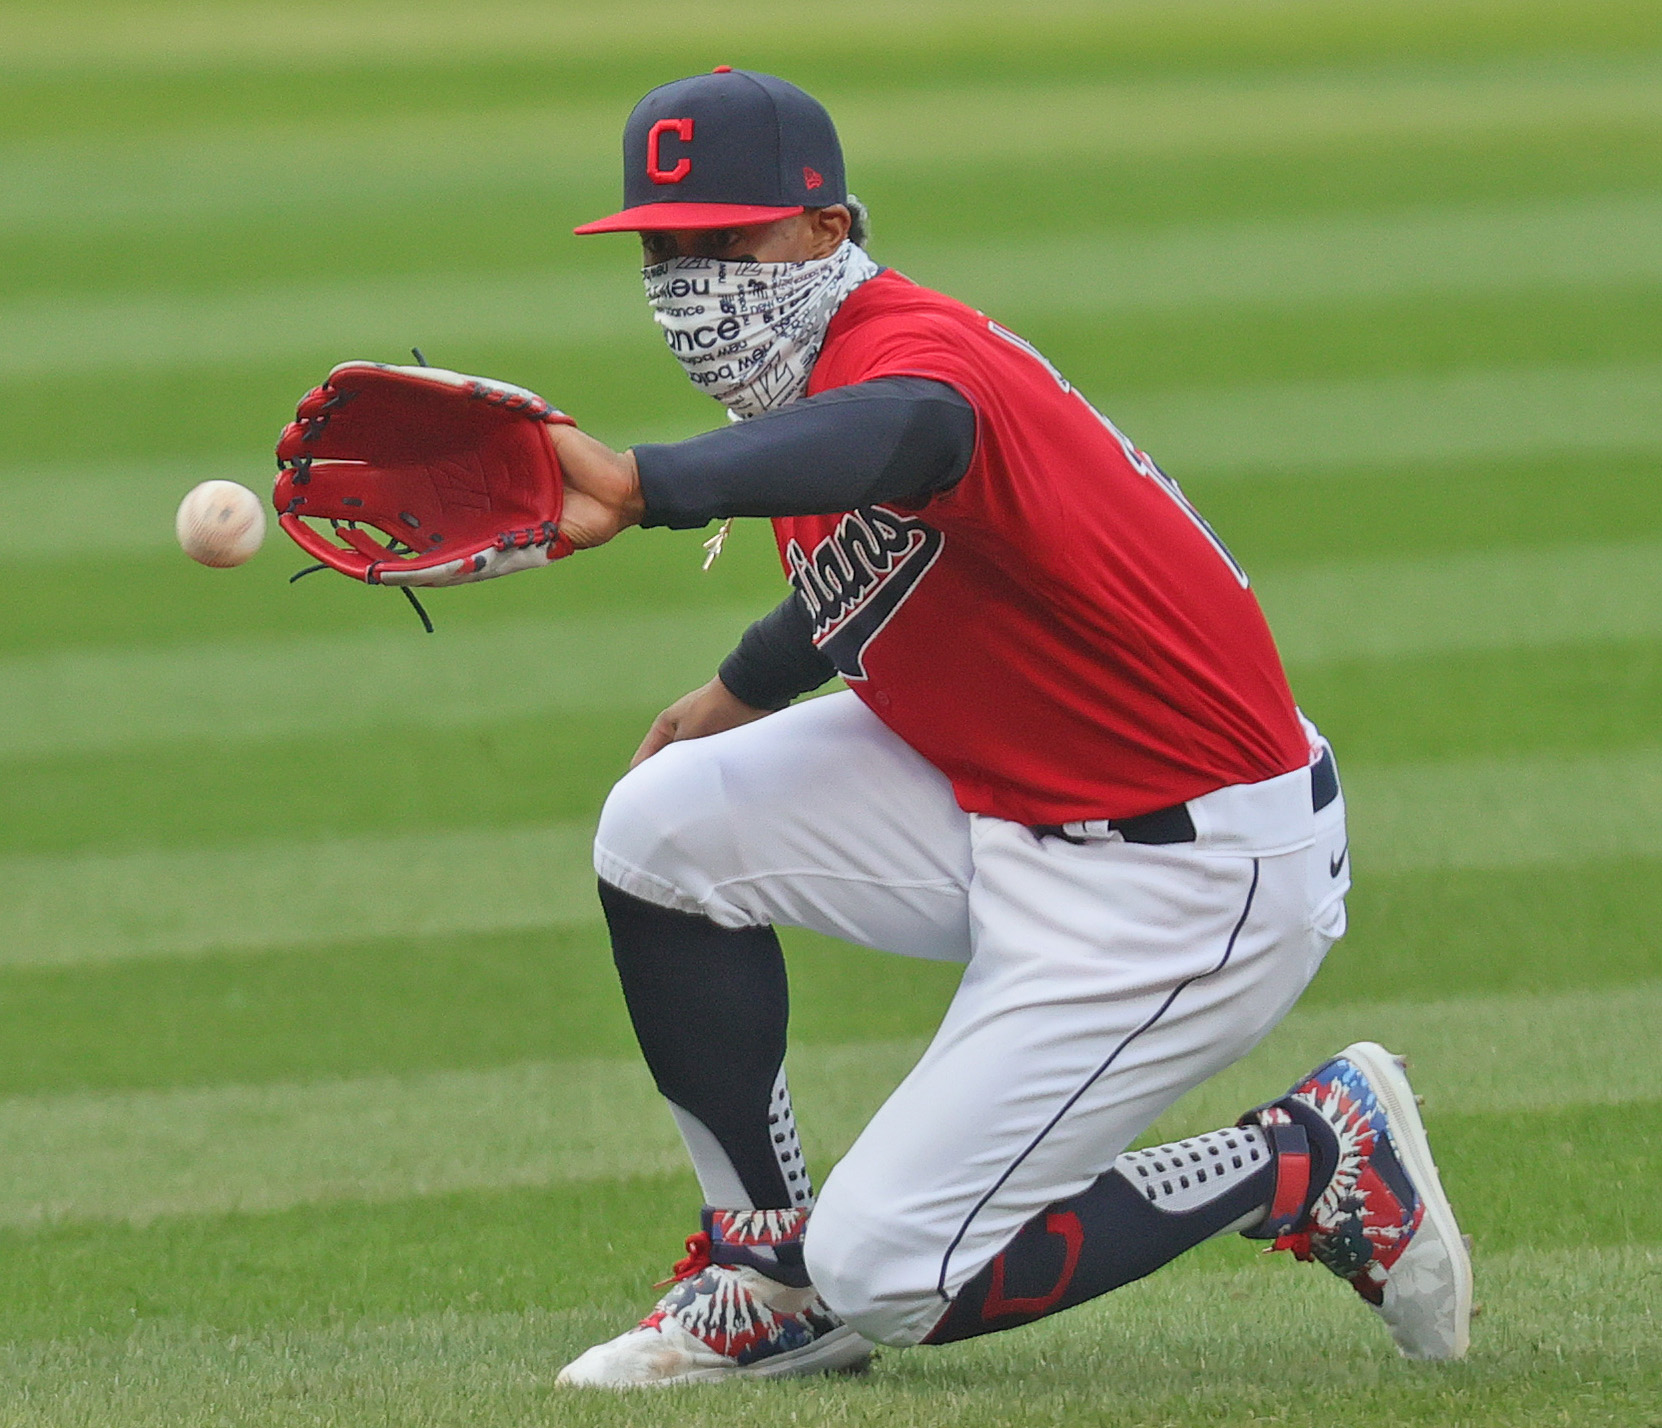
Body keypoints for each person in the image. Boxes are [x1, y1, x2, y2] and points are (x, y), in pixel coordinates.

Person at [541, 67, 1472, 1387]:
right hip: (1010, 794)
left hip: (1184, 875)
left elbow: (914, 438)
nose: (694, 278)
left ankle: (1309, 1156)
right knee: (665, 826)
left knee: (891, 1277)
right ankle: (763, 1277)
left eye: (727, 240)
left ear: (828, 229)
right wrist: (743, 688)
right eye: (664, 248)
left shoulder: (910, 365)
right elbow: (884, 548)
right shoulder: (825, 379)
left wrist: (651, 485)